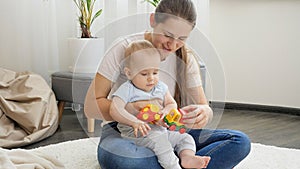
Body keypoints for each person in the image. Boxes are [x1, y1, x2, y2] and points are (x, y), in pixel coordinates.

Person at [84, 0, 251, 168]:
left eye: (182, 38)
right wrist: (134, 109)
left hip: (167, 129)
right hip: (125, 131)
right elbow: (90, 107)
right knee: (125, 159)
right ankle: (174, 162)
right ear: (153, 21)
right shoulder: (124, 48)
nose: (173, 45)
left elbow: (203, 105)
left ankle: (178, 160)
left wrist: (203, 113)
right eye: (168, 35)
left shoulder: (187, 59)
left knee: (239, 141)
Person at [110, 40, 211, 169]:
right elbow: (115, 109)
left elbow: (171, 103)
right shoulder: (127, 89)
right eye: (144, 74)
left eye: (155, 72)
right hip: (137, 134)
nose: (151, 78)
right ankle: (174, 166)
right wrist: (133, 121)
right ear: (129, 73)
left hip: (161, 131)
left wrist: (167, 110)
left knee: (185, 138)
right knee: (162, 144)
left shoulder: (160, 87)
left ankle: (187, 158)